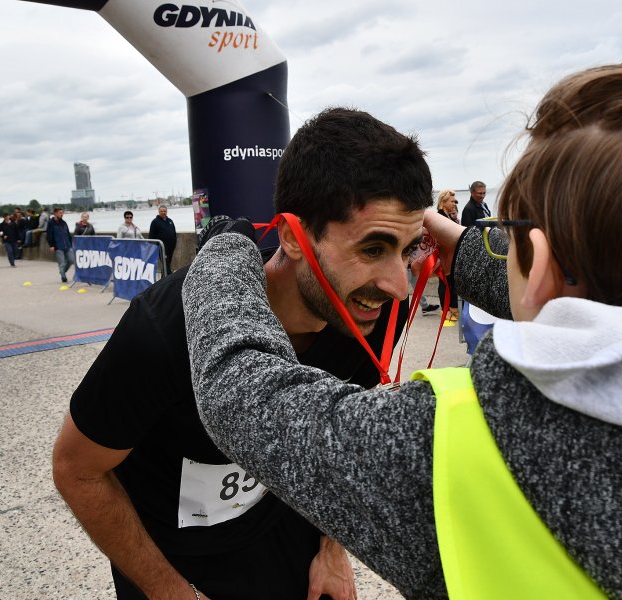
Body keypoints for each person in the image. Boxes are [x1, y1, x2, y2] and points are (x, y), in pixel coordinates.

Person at [183, 20, 622, 599]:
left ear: (540, 265)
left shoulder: (448, 443)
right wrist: (473, 253)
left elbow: (239, 390)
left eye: (508, 242)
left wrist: (225, 248)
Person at [51, 107, 431, 600]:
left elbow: (336, 442)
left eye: (408, 250)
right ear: (293, 237)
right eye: (374, 249)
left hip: (286, 536)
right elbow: (77, 470)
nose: (399, 286)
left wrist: (332, 551)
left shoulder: (371, 312)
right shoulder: (164, 328)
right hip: (173, 558)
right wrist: (171, 593)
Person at [435, 190, 459, 320]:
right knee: (444, 283)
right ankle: (446, 311)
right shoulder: (440, 217)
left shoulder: (448, 216)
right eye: (452, 201)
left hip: (449, 255)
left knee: (449, 283)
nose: (454, 204)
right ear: (443, 202)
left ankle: (451, 309)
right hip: (444, 256)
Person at [46, 208, 74, 283]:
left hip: (67, 245)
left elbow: (68, 233)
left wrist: (70, 243)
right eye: (60, 213)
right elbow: (49, 235)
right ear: (55, 213)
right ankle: (63, 277)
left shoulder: (64, 223)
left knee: (71, 260)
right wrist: (51, 245)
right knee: (61, 263)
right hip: (58, 246)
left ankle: (62, 272)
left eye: (62, 213)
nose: (62, 214)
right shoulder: (51, 223)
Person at [148, 205, 177, 274]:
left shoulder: (170, 221)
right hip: (161, 247)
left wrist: (174, 243)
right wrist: (154, 247)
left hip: (171, 247)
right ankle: (170, 277)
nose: (163, 212)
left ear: (167, 212)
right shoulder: (155, 222)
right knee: (165, 264)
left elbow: (174, 233)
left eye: (165, 211)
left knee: (167, 264)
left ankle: (164, 279)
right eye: (161, 211)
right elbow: (151, 236)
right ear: (159, 212)